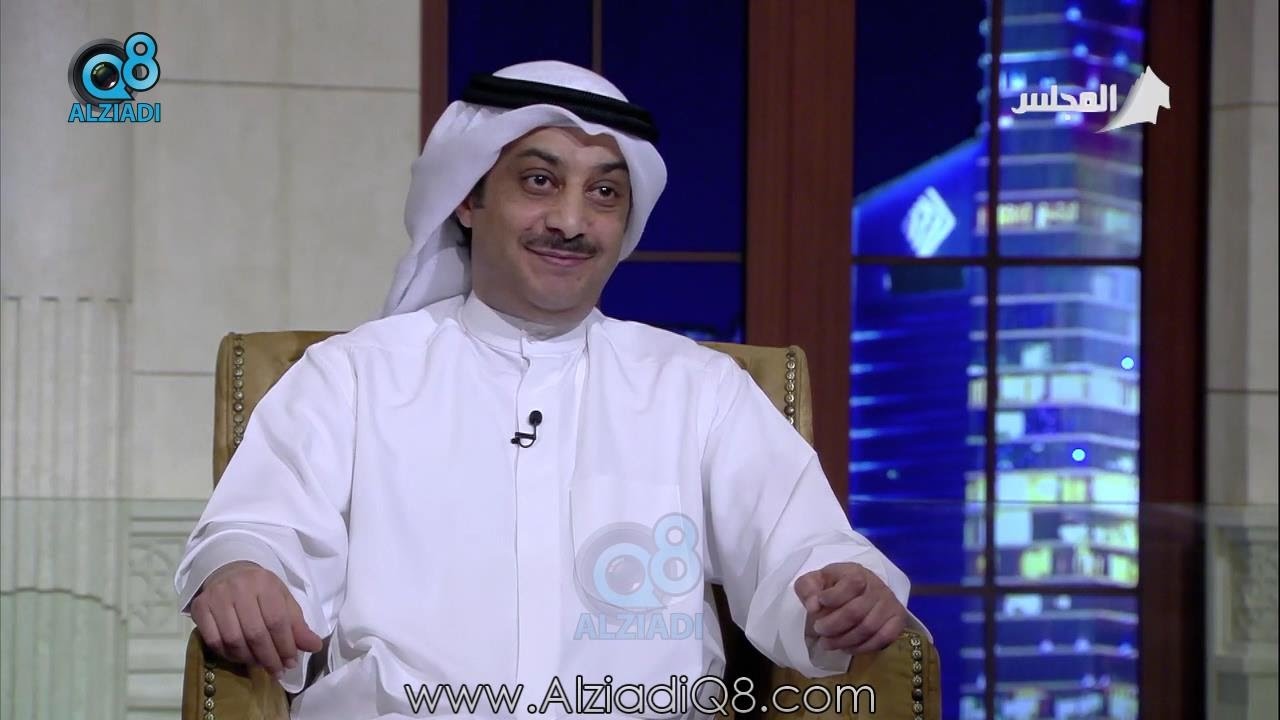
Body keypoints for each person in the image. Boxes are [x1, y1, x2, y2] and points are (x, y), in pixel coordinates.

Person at [174, 60, 928, 720]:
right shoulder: (353, 376)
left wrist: (843, 590)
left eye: (604, 193)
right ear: (468, 200)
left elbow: (802, 546)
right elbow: (259, 530)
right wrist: (242, 568)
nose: (571, 221)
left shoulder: (698, 390)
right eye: (540, 181)